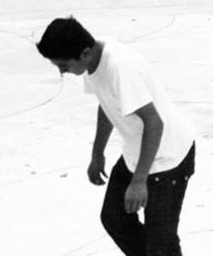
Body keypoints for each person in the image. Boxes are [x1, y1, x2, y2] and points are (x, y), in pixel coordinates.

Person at [36, 17, 196, 256]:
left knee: (160, 241)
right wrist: (97, 152)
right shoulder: (94, 60)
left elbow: (154, 123)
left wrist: (139, 181)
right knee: (115, 218)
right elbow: (107, 103)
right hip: (138, 151)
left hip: (167, 159)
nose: (61, 71)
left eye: (63, 65)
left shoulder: (120, 68)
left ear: (84, 52)